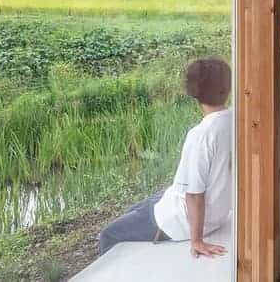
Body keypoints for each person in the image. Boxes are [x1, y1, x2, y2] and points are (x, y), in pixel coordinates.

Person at [98, 58, 233, 258]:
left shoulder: (202, 134)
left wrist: (197, 241)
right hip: (216, 213)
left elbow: (195, 194)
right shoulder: (236, 119)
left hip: (181, 220)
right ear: (227, 87)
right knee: (138, 207)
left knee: (108, 234)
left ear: (193, 92)